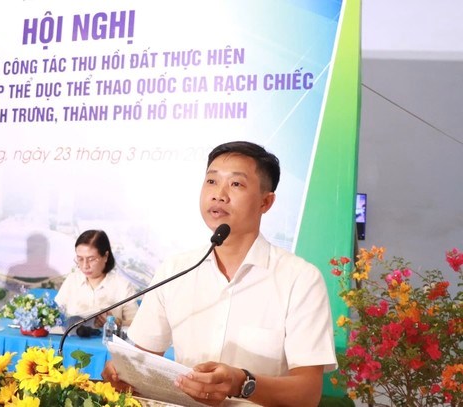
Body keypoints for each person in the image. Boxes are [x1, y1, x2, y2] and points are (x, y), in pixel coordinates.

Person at [102, 141, 337, 406]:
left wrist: (242, 383)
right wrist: (124, 375)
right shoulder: (175, 270)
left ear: (266, 202)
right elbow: (143, 361)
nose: (219, 195)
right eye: (212, 181)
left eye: (236, 184)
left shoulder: (300, 279)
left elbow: (307, 394)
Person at [55, 230, 138, 328]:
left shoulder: (122, 286)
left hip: (106, 337)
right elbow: (55, 313)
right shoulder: (72, 280)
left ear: (105, 256)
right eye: (80, 259)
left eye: (91, 259)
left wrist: (117, 323)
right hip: (72, 337)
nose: (85, 266)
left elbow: (137, 323)